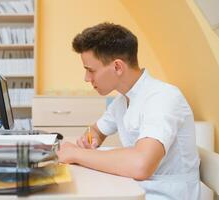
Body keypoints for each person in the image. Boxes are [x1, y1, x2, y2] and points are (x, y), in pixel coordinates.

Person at [56, 22, 200, 200]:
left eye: (90, 70)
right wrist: (90, 140)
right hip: (136, 188)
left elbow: (141, 164)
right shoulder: (121, 101)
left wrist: (78, 153)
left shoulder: (163, 97)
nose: (86, 78)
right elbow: (96, 130)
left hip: (164, 194)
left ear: (117, 67)